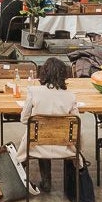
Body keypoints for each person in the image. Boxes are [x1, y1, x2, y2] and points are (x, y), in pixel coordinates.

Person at [16, 58, 78, 192]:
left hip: (36, 146)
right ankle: (62, 182)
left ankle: (38, 180)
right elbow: (76, 124)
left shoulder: (33, 91)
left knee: (38, 136)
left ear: (43, 73)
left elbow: (24, 119)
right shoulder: (71, 96)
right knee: (49, 136)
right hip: (63, 146)